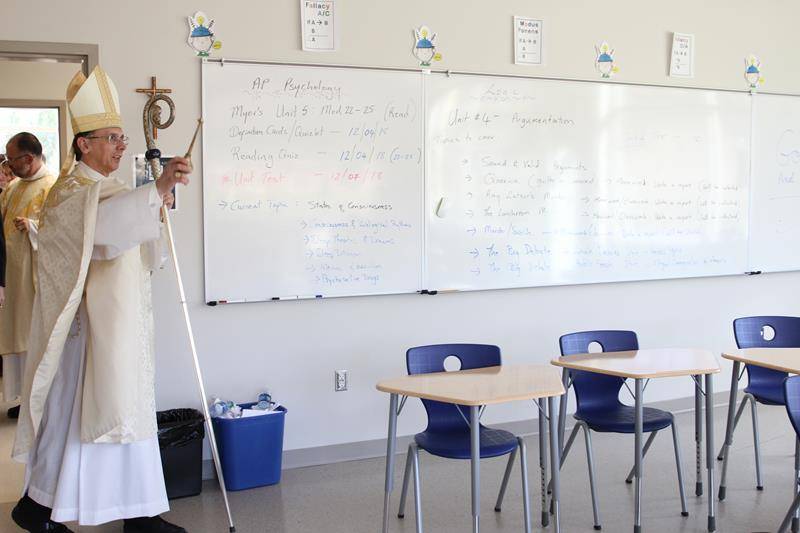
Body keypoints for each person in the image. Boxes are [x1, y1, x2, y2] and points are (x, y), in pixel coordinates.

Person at [11, 66, 191, 533]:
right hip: (89, 333)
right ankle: (42, 505)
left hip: (121, 322)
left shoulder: (105, 189)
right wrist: (156, 192)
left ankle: (139, 513)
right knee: (84, 417)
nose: (120, 145)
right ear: (82, 144)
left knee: (124, 411)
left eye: (122, 137)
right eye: (111, 137)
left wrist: (156, 199)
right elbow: (106, 234)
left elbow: (133, 235)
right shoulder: (71, 192)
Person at [0, 133, 57, 420]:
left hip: (34, 279)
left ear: (29, 158)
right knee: (16, 336)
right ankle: (25, 399)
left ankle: (42, 401)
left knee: (34, 337)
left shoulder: (52, 187)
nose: (8, 165)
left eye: (11, 159)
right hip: (13, 276)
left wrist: (33, 226)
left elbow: (62, 232)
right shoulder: (12, 188)